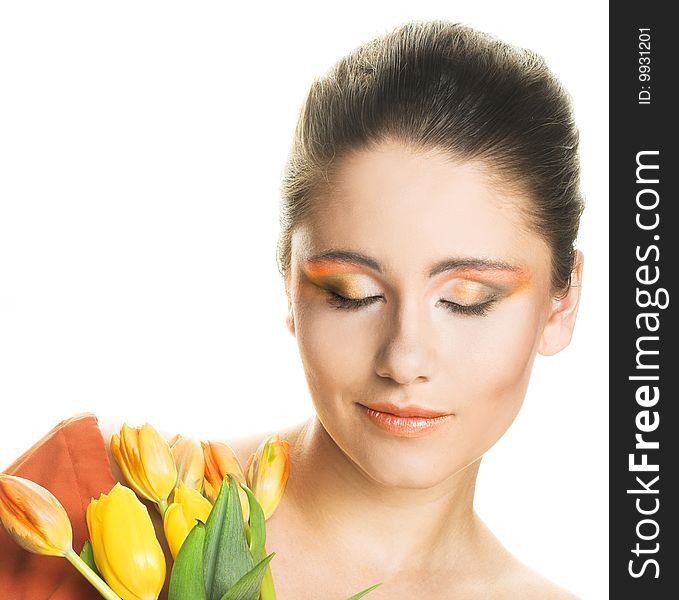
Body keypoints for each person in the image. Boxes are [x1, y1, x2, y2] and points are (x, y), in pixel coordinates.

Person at [1, 20, 584, 599]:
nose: (404, 360)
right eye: (352, 294)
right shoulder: (80, 506)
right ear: (290, 287)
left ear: (561, 304)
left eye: (467, 302)